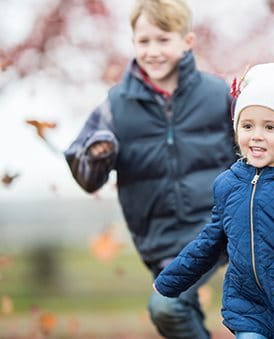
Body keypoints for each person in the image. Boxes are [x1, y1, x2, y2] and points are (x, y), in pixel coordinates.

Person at [64, 0, 236, 337]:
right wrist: (98, 155)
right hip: (159, 241)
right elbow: (85, 176)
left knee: (167, 305)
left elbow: (252, 153)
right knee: (179, 313)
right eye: (144, 41)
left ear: (187, 42)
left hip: (216, 230)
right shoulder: (115, 106)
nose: (153, 51)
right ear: (133, 43)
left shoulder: (218, 96)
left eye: (163, 40)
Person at [153, 62, 274, 339]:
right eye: (247, 125)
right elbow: (210, 241)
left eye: (270, 127)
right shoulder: (229, 185)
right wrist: (172, 278)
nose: (256, 135)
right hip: (249, 311)